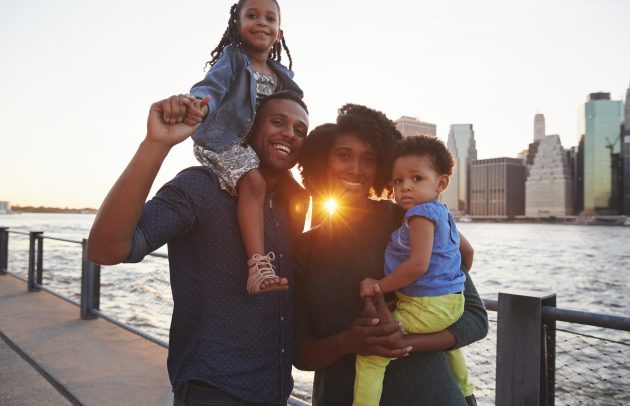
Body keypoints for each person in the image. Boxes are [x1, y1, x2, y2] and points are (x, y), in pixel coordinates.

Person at [88, 91, 310, 405]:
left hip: (275, 391)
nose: (289, 133)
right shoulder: (201, 187)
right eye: (277, 122)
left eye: (300, 130)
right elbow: (105, 249)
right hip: (212, 390)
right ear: (249, 127)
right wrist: (156, 144)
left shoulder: (294, 203)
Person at [294, 105, 488, 406]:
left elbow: (475, 318)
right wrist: (351, 341)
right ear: (322, 159)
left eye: (369, 159)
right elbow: (300, 353)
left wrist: (405, 342)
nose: (356, 169)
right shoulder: (302, 248)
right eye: (344, 155)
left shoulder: (410, 220)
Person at [189, 0, 302, 294]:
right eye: (252, 16)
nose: (261, 22)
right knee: (253, 182)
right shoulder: (233, 60)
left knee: (295, 192)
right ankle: (257, 265)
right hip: (223, 140)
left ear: (279, 32)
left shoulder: (284, 77)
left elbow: (296, 109)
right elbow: (210, 89)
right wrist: (198, 107)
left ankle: (297, 256)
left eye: (269, 18)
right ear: (238, 24)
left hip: (257, 148)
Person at [354, 135, 474, 406]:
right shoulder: (443, 214)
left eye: (416, 179)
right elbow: (468, 253)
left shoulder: (419, 215)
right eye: (398, 181)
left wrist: (379, 285)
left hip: (426, 305)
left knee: (371, 357)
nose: (405, 187)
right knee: (448, 345)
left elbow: (418, 264)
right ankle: (467, 392)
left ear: (441, 182)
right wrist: (448, 277)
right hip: (453, 303)